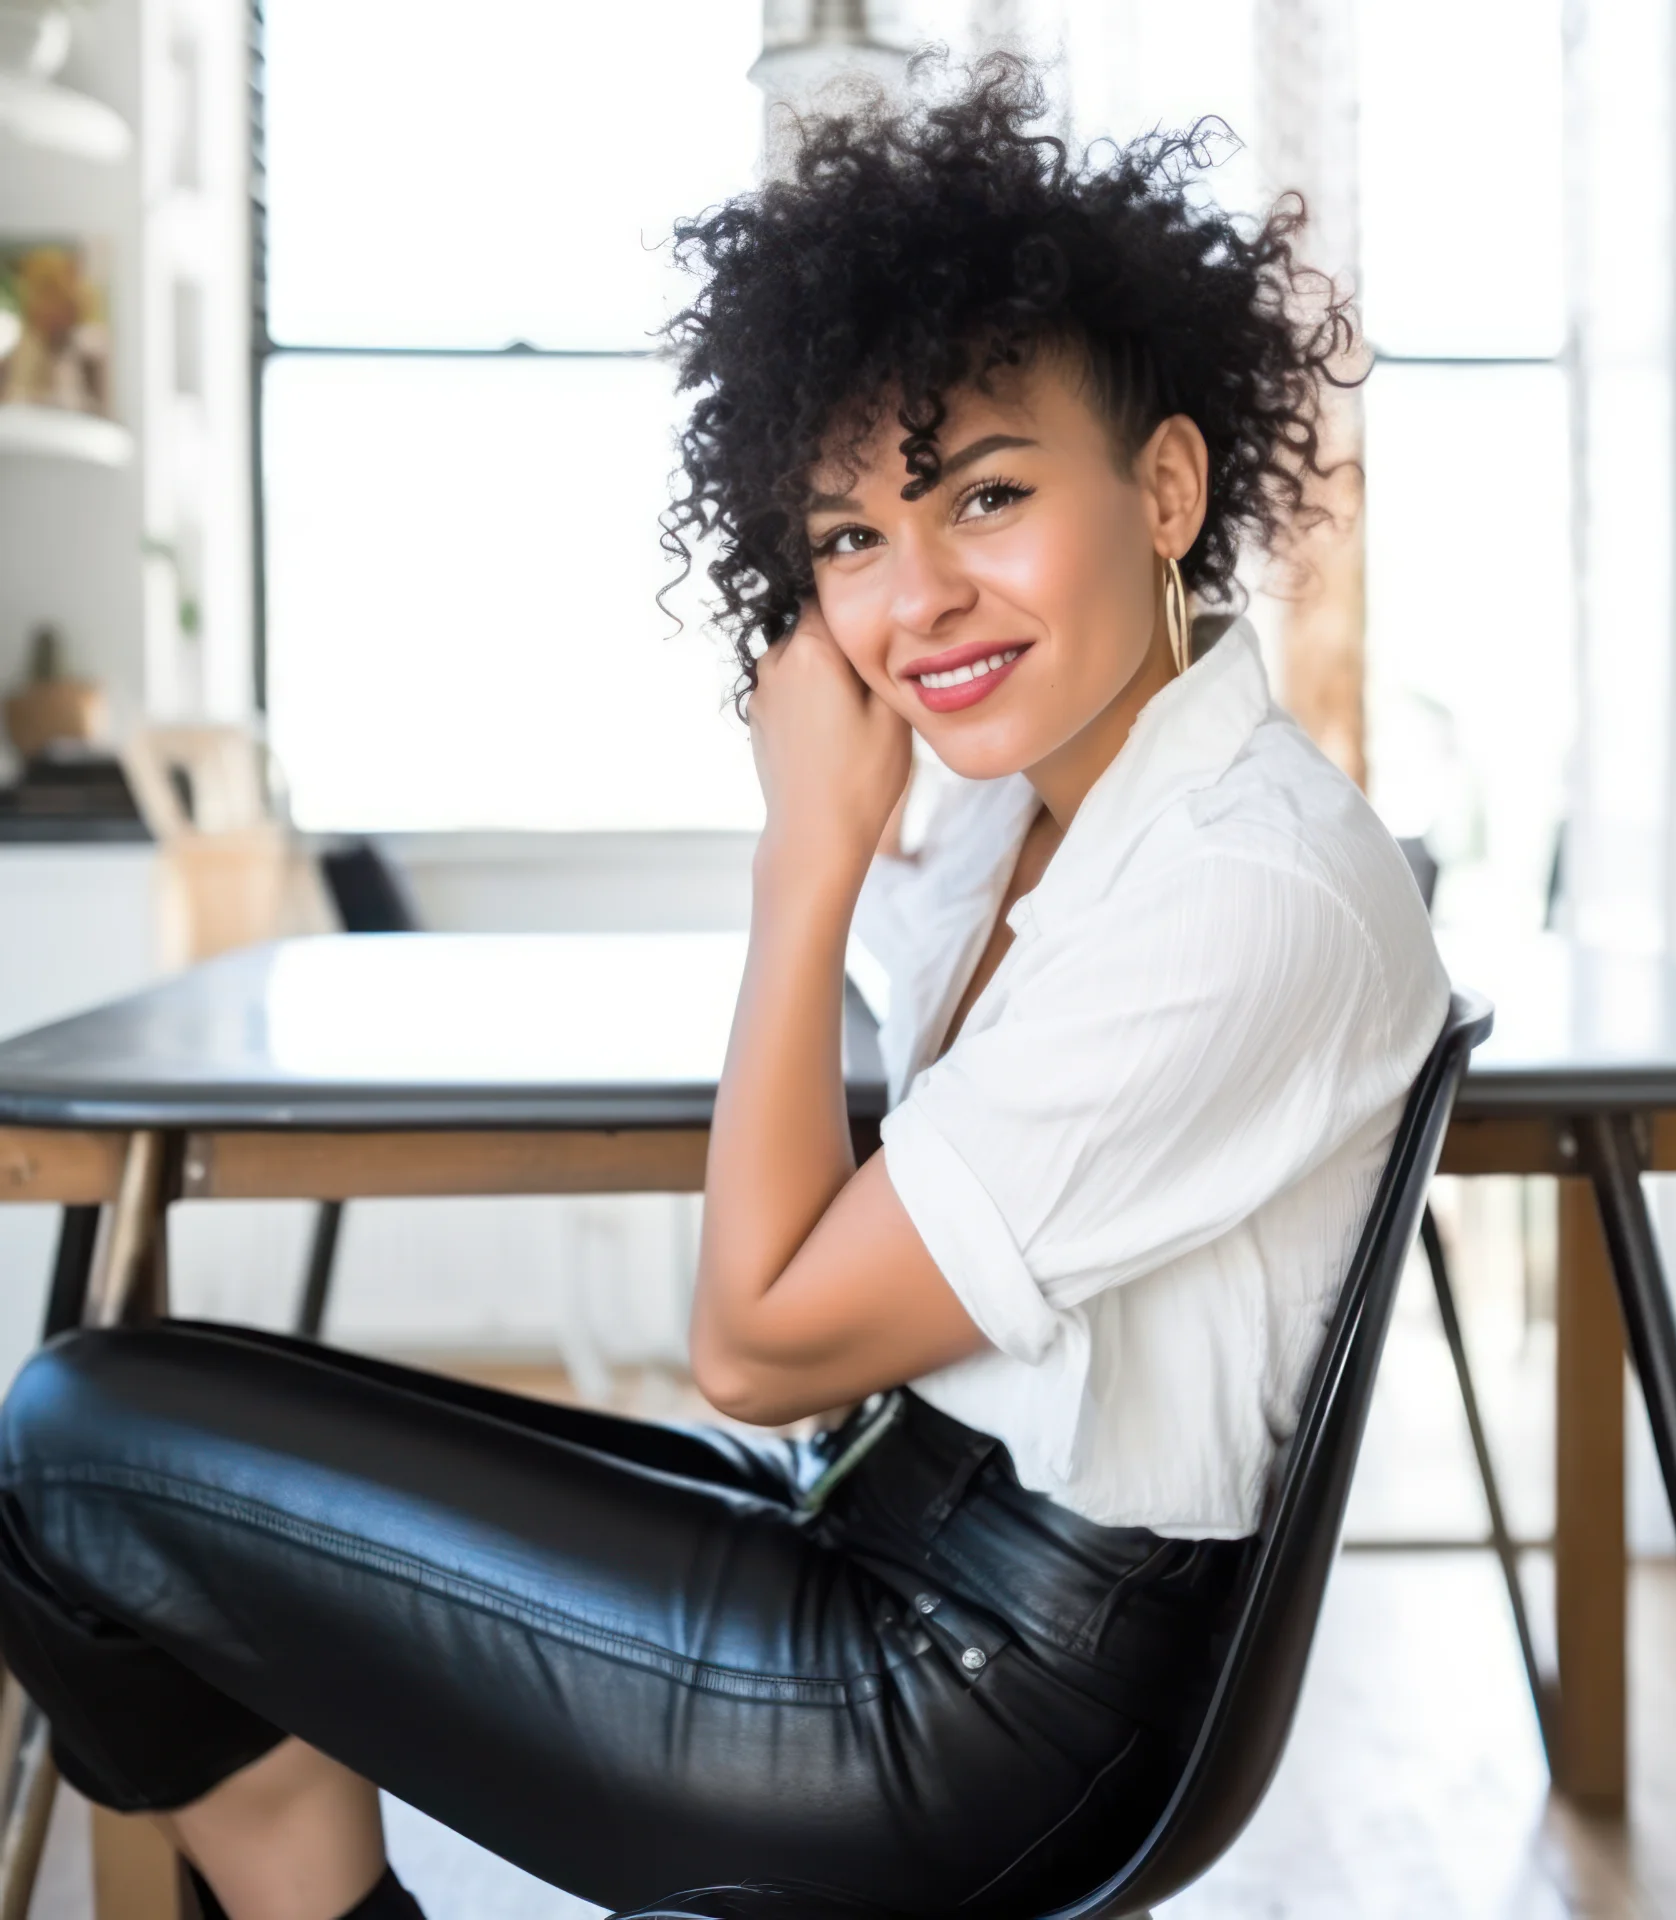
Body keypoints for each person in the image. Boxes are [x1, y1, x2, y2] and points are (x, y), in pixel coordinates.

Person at [0, 54, 1447, 1920]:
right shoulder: (1055, 817)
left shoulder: (1242, 883)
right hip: (884, 1539)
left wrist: (803, 857)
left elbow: (756, 1342)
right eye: (849, 537)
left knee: (74, 1453)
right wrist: (868, 825)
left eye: (985, 496)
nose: (912, 598)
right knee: (126, 1416)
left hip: (950, 1711)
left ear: (1166, 485)